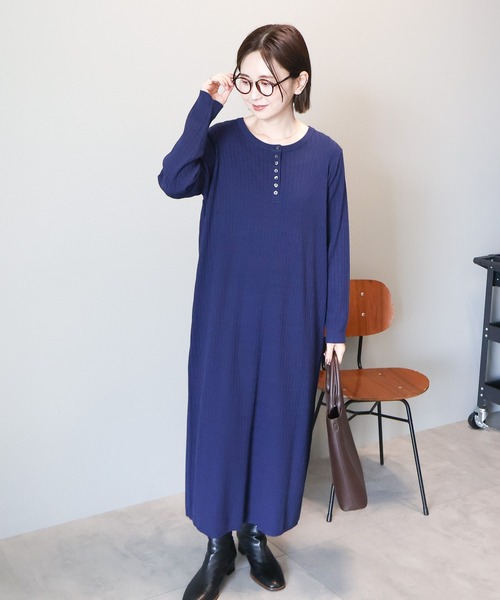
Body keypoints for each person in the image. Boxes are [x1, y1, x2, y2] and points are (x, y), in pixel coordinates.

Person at [158, 24, 349, 600]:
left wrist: (334, 326)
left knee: (278, 428)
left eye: (268, 81)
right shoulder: (220, 142)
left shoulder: (327, 156)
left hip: (293, 321)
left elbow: (336, 244)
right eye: (246, 80)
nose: (254, 92)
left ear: (299, 82)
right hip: (225, 318)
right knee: (219, 427)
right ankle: (218, 546)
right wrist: (205, 106)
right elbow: (173, 180)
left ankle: (257, 535)